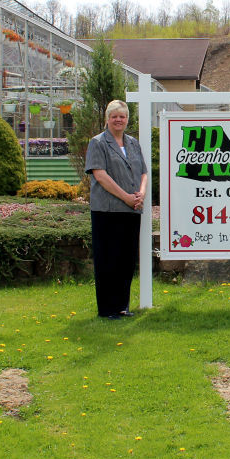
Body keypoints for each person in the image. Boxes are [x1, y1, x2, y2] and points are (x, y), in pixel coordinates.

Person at [84, 99, 147, 319]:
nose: (118, 120)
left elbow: (143, 172)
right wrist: (126, 198)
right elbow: (100, 175)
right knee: (107, 259)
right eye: (114, 116)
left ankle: (122, 305)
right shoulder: (98, 143)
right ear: (107, 119)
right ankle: (107, 309)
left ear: (127, 119)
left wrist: (141, 192)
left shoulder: (133, 143)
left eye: (122, 116)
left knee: (126, 260)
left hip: (131, 210)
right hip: (107, 211)